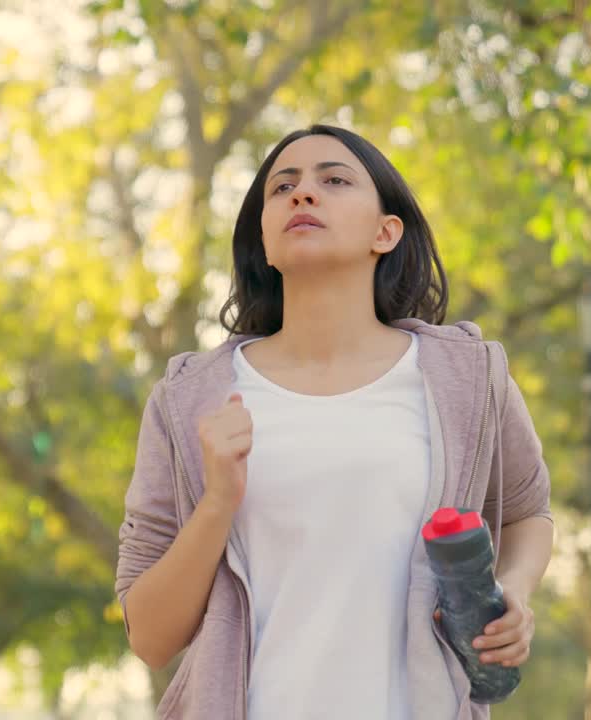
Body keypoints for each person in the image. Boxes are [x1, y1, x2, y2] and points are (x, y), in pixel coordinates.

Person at [114, 124, 555, 719]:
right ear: (265, 243)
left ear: (386, 231)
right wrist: (218, 502)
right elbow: (149, 637)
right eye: (283, 187)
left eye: (334, 180)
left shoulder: (468, 377)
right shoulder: (190, 398)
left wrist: (516, 593)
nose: (302, 194)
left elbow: (529, 510)